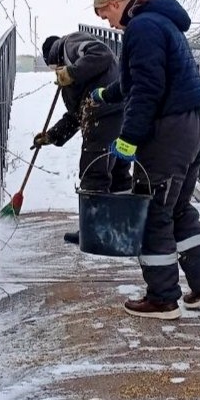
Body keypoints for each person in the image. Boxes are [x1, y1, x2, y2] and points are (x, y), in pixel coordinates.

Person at [90, 0, 200, 319]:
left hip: (168, 131)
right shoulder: (159, 22)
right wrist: (108, 93)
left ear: (115, 3)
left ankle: (163, 297)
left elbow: (148, 90)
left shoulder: (142, 28)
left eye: (104, 13)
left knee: (153, 211)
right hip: (193, 125)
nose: (107, 22)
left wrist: (128, 139)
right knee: (178, 207)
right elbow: (136, 79)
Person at [34, 31, 131, 243]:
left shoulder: (69, 44)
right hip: (111, 112)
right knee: (117, 171)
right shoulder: (71, 81)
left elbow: (102, 53)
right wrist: (52, 135)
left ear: (53, 57)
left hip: (104, 111)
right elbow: (76, 115)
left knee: (93, 170)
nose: (57, 73)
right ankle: (122, 227)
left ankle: (93, 231)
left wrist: (72, 71)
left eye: (55, 68)